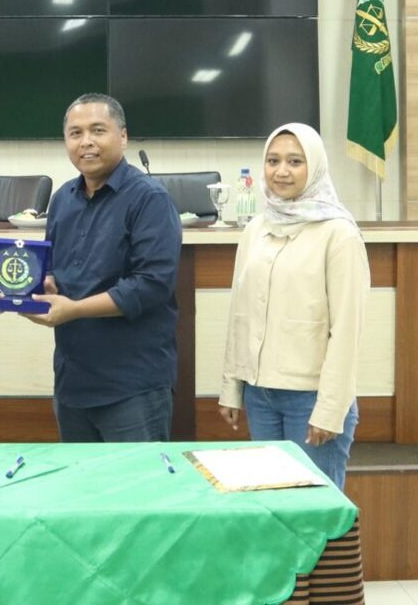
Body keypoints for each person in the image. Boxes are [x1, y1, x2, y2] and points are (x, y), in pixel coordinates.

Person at [217, 123, 367, 490]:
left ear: (314, 167)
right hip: (260, 395)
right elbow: (240, 315)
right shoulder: (256, 228)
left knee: (312, 509)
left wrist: (330, 410)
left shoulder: (339, 233)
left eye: (295, 162)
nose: (281, 171)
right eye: (273, 161)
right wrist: (232, 388)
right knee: (272, 505)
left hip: (311, 400)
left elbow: (347, 330)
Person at [25, 93, 181, 442]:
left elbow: (151, 285)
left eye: (98, 130)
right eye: (75, 133)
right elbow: (57, 269)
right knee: (80, 479)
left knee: (135, 479)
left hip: (132, 385)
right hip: (73, 381)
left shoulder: (150, 198)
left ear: (123, 136)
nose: (86, 142)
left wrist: (75, 309)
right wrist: (46, 284)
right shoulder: (62, 198)